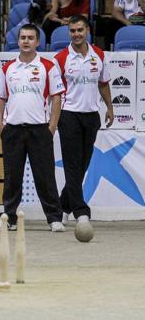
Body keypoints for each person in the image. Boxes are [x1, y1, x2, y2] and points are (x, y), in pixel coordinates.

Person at [0, 24, 66, 232]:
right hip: (12, 130)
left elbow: (56, 98)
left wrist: (51, 126)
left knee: (45, 176)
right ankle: (9, 218)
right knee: (12, 177)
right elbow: (0, 98)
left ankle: (54, 219)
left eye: (30, 38)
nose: (25, 41)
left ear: (38, 42)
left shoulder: (47, 67)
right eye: (22, 37)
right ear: (19, 40)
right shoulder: (8, 68)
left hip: (39, 130)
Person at [53, 15, 113, 231]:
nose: (76, 34)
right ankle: (81, 211)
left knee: (83, 165)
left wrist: (110, 107)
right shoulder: (60, 58)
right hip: (69, 115)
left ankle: (63, 205)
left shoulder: (99, 54)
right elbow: (55, 93)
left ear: (87, 30)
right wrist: (53, 120)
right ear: (69, 32)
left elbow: (103, 83)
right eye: (72, 31)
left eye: (80, 30)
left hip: (91, 116)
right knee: (72, 164)